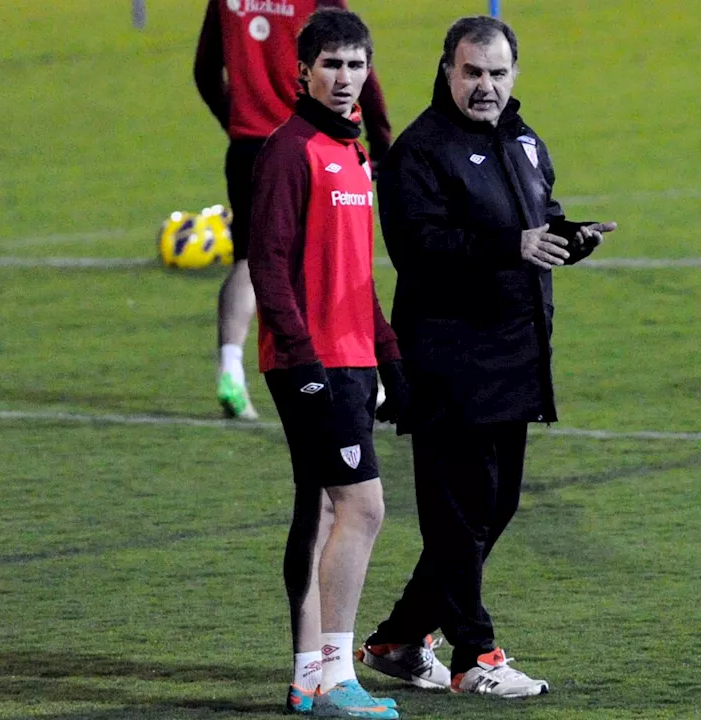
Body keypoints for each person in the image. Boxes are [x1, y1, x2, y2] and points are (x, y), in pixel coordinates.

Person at [355, 16, 617, 698]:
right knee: (457, 517)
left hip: (515, 358)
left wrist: (569, 235)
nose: (485, 86)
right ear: (447, 70)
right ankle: (475, 657)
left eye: (498, 74)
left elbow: (537, 217)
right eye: (472, 72)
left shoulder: (524, 141)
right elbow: (418, 250)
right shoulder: (419, 151)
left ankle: (400, 639)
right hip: (447, 363)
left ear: (514, 76)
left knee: (491, 511)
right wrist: (514, 246)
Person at [248, 8, 408, 718]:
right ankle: (337, 675)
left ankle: (307, 672)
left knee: (319, 510)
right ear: (302, 72)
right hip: (315, 363)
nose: (345, 79)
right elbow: (270, 265)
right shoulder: (292, 150)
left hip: (351, 358)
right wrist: (304, 361)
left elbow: (356, 274)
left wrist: (391, 357)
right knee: (364, 508)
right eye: (333, 65)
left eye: (356, 65)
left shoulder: (353, 153)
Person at [194, 0, 392, 419]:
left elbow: (205, 69)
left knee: (250, 259)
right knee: (329, 257)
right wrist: (380, 139)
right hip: (311, 142)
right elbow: (359, 65)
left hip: (248, 146)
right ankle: (346, 372)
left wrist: (235, 120)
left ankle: (231, 368)